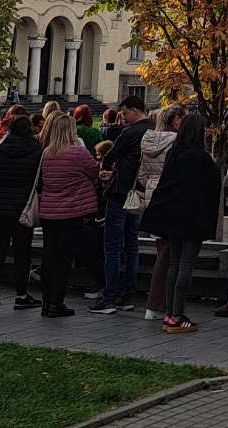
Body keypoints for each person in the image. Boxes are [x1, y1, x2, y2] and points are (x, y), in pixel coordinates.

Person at [142, 114, 221, 334]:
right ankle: (177, 315)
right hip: (191, 219)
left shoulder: (174, 153)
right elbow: (202, 188)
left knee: (174, 265)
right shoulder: (199, 157)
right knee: (185, 265)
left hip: (172, 218)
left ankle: (170, 313)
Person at [91, 96, 152, 314]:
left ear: (135, 110)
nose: (123, 118)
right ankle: (128, 294)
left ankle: (110, 296)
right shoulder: (153, 130)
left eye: (125, 113)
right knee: (132, 243)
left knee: (113, 245)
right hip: (139, 192)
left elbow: (110, 156)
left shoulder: (130, 133)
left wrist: (107, 171)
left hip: (120, 192)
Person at [37, 114, 101, 318]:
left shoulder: (47, 152)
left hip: (49, 211)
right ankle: (56, 302)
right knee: (63, 259)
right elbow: (94, 171)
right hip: (72, 211)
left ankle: (46, 301)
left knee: (49, 256)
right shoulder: (78, 152)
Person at [0, 115, 42, 310]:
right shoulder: (36, 153)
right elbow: (40, 182)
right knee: (22, 252)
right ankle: (21, 294)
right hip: (23, 207)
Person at [139, 106, 185, 320]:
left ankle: (159, 302)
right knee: (167, 254)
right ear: (176, 120)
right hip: (169, 197)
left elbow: (142, 175)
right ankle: (156, 303)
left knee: (163, 251)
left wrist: (151, 184)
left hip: (152, 194)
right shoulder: (177, 143)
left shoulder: (148, 140)